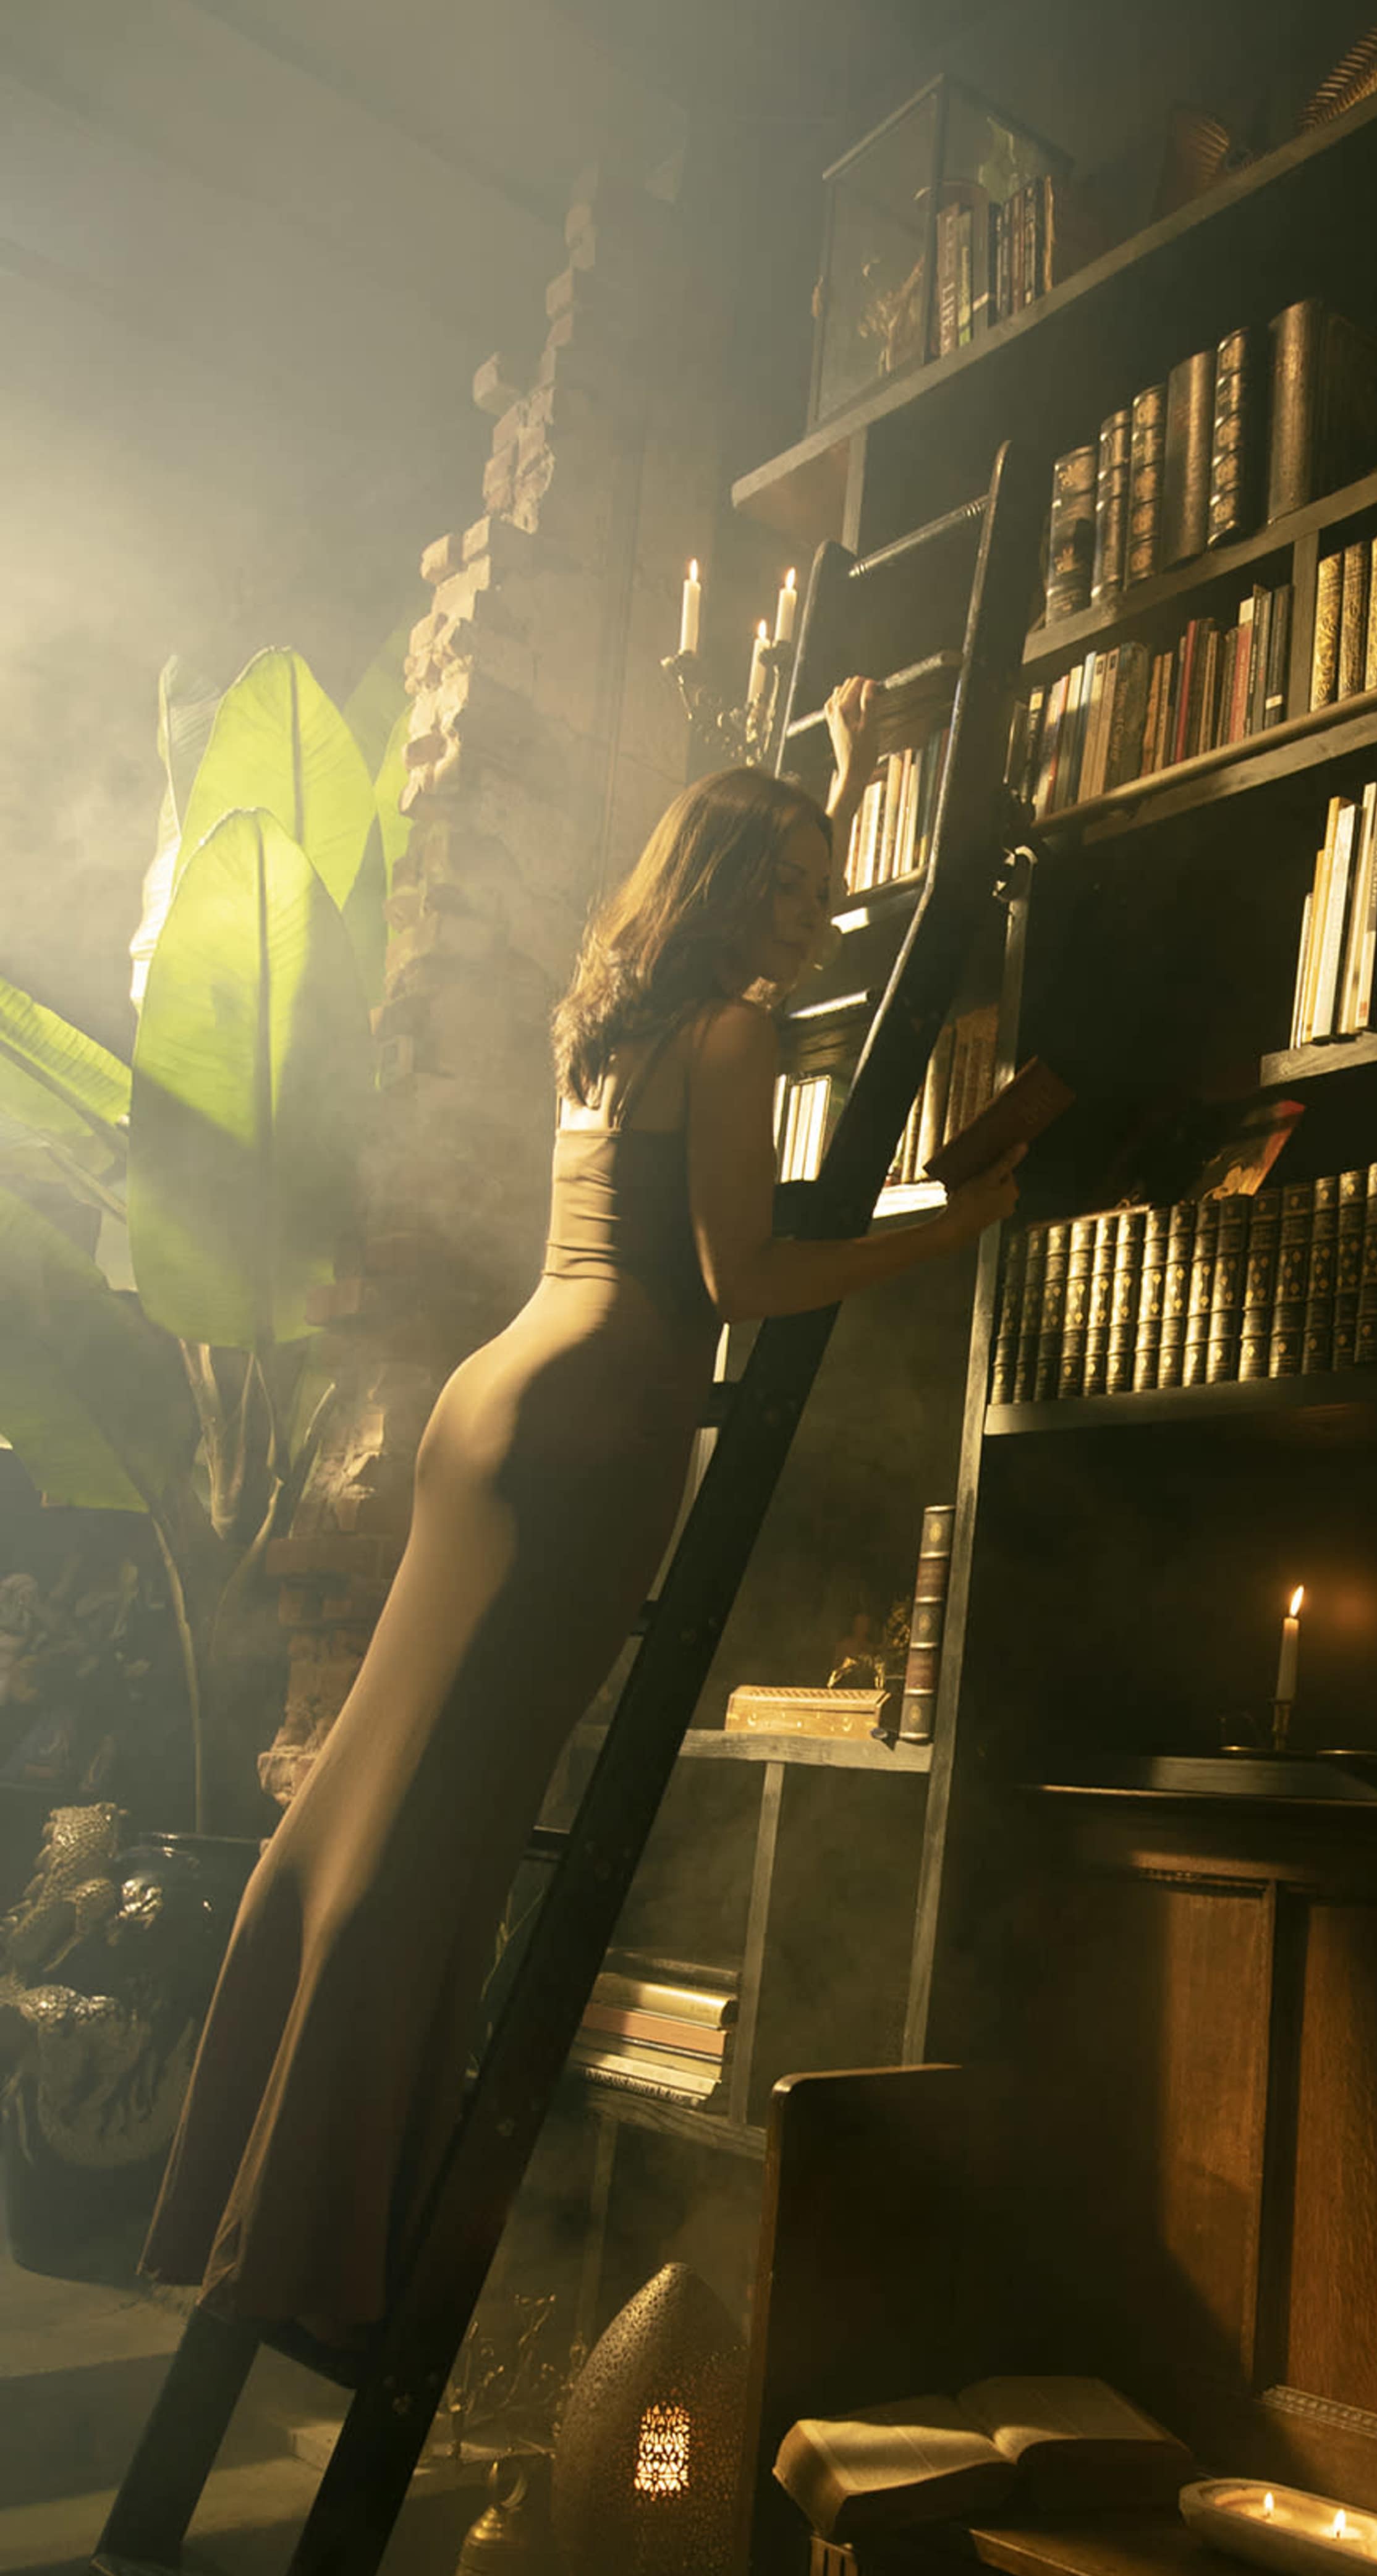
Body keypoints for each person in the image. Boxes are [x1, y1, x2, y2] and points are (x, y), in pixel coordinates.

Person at [142, 678, 1019, 2352]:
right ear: (724, 895)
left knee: (364, 1794)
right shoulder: (735, 1030)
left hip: (495, 1406)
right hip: (592, 1436)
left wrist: (835, 758)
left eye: (823, 877)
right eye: (790, 885)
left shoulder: (613, 1012)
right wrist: (951, 1223)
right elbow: (743, 1280)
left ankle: (237, 2198)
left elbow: (738, 871)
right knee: (444, 1835)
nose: (820, 909)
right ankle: (314, 2255)